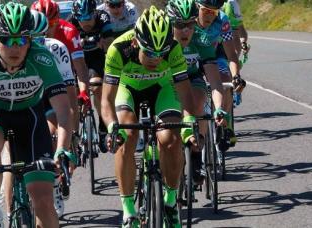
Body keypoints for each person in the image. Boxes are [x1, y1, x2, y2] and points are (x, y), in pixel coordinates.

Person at [0, 2, 72, 227]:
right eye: (7, 40)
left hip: (31, 116)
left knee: (43, 202)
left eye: (21, 40)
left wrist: (62, 149)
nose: (15, 48)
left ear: (30, 40)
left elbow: (63, 109)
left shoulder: (42, 59)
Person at [101, 6, 196, 227]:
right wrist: (111, 127)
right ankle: (128, 211)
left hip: (162, 89)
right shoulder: (118, 49)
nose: (156, 58)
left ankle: (171, 203)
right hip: (129, 89)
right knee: (127, 135)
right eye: (150, 52)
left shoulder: (172, 49)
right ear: (136, 42)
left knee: (170, 140)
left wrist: (189, 124)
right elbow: (106, 100)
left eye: (161, 53)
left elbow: (185, 91)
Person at [166, 0, 228, 184]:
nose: (186, 30)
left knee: (198, 100)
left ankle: (195, 152)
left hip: (192, 79)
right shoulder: (163, 41)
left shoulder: (201, 40)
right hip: (165, 82)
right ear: (171, 23)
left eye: (191, 25)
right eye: (180, 25)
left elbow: (215, 82)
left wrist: (218, 108)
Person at [31, 0, 91, 144]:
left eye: (51, 24)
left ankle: (73, 140)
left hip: (64, 72)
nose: (45, 30)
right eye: (41, 24)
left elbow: (81, 68)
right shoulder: (27, 38)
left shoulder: (68, 32)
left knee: (71, 102)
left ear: (58, 20)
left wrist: (83, 91)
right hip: (37, 82)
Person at [194, 0, 245, 147]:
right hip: (192, 57)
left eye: (214, 11)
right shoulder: (188, 20)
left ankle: (225, 125)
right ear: (197, 7)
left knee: (226, 81)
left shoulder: (222, 20)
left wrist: (236, 77)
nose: (210, 15)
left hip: (216, 55)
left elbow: (231, 55)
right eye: (206, 10)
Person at [69, 0, 115, 152]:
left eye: (88, 18)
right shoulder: (71, 21)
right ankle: (77, 128)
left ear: (95, 13)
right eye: (81, 19)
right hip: (78, 59)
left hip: (96, 58)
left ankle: (102, 128)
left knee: (97, 87)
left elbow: (110, 42)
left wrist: (105, 42)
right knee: (74, 91)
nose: (85, 22)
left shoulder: (103, 17)